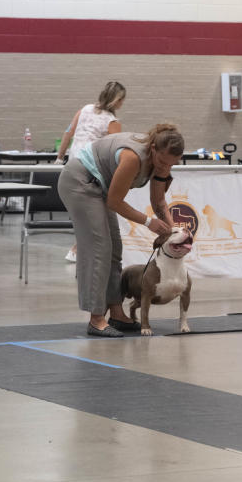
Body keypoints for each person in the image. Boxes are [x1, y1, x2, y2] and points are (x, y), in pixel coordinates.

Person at [58, 124, 184, 337]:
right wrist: (148, 222)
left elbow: (159, 201)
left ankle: (116, 312)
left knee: (115, 248)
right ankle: (96, 318)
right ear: (153, 148)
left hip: (100, 188)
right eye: (162, 162)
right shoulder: (133, 157)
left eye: (171, 164)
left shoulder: (163, 162)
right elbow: (115, 201)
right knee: (99, 249)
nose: (165, 167)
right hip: (80, 182)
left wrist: (172, 233)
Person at [56, 81, 127, 263]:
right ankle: (79, 250)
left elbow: (68, 133)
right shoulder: (112, 121)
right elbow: (113, 152)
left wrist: (59, 157)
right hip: (91, 171)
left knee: (82, 215)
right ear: (116, 100)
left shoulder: (85, 109)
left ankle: (78, 249)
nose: (122, 104)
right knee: (97, 215)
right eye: (122, 100)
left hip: (71, 167)